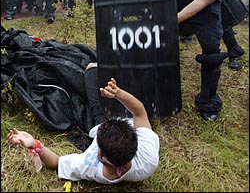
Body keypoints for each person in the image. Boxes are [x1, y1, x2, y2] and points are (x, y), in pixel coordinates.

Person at [7, 62, 160, 184]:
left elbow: (57, 162)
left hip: (100, 119)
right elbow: (139, 111)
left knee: (91, 70)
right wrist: (117, 93)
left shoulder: (89, 167)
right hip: (120, 113)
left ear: (99, 152)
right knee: (96, 71)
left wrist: (34, 143)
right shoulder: (148, 157)